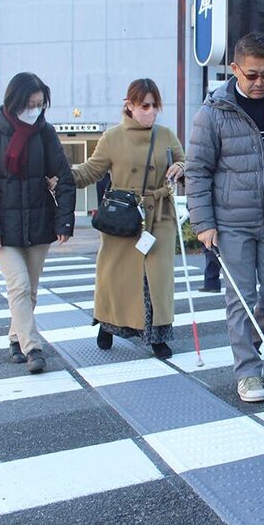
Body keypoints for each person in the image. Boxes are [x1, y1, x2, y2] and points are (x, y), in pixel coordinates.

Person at [187, 32, 264, 404]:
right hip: (230, 222)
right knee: (240, 298)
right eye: (252, 75)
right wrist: (204, 223)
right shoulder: (212, 113)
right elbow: (197, 170)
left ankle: (250, 340)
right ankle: (247, 372)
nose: (260, 83)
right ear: (235, 69)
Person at [72, 79, 185, 359]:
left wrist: (181, 167)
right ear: (130, 105)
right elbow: (90, 172)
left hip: (159, 215)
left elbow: (185, 162)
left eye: (155, 106)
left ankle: (158, 335)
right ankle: (108, 325)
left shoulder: (166, 135)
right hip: (123, 216)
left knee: (157, 278)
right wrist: (61, 177)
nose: (151, 112)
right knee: (116, 277)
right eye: (145, 106)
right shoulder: (112, 137)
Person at [0, 72, 76, 374]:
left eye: (40, 104)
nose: (35, 110)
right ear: (14, 101)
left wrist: (64, 222)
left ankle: (15, 339)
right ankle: (33, 348)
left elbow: (65, 179)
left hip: (39, 224)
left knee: (29, 291)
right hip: (3, 228)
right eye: (30, 104)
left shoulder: (45, 133)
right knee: (17, 285)